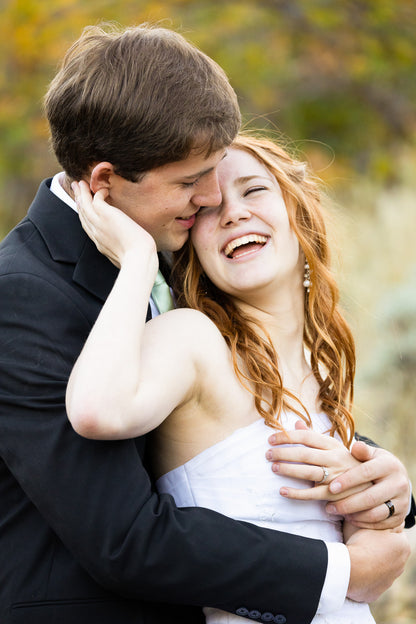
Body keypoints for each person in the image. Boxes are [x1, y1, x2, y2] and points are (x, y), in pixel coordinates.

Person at [0, 21, 412, 624]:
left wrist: (376, 476)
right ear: (105, 184)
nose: (210, 200)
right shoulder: (25, 295)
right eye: (192, 183)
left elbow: (241, 413)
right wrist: (341, 572)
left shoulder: (174, 238)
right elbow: (124, 538)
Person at [65, 133, 410, 623]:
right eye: (208, 208)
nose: (233, 213)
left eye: (253, 191)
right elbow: (97, 410)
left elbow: (360, 553)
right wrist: (138, 263)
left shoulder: (322, 361)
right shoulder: (192, 340)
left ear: (299, 214)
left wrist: (387, 505)